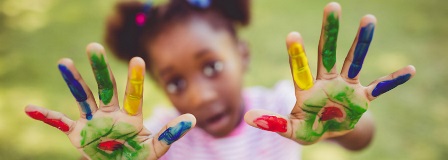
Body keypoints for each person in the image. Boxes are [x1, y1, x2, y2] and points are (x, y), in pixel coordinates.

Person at [24, 0, 416, 159]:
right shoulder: (160, 138)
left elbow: (361, 140)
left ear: (242, 55)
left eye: (211, 66)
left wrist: (339, 121)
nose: (200, 94)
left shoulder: (285, 111)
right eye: (176, 82)